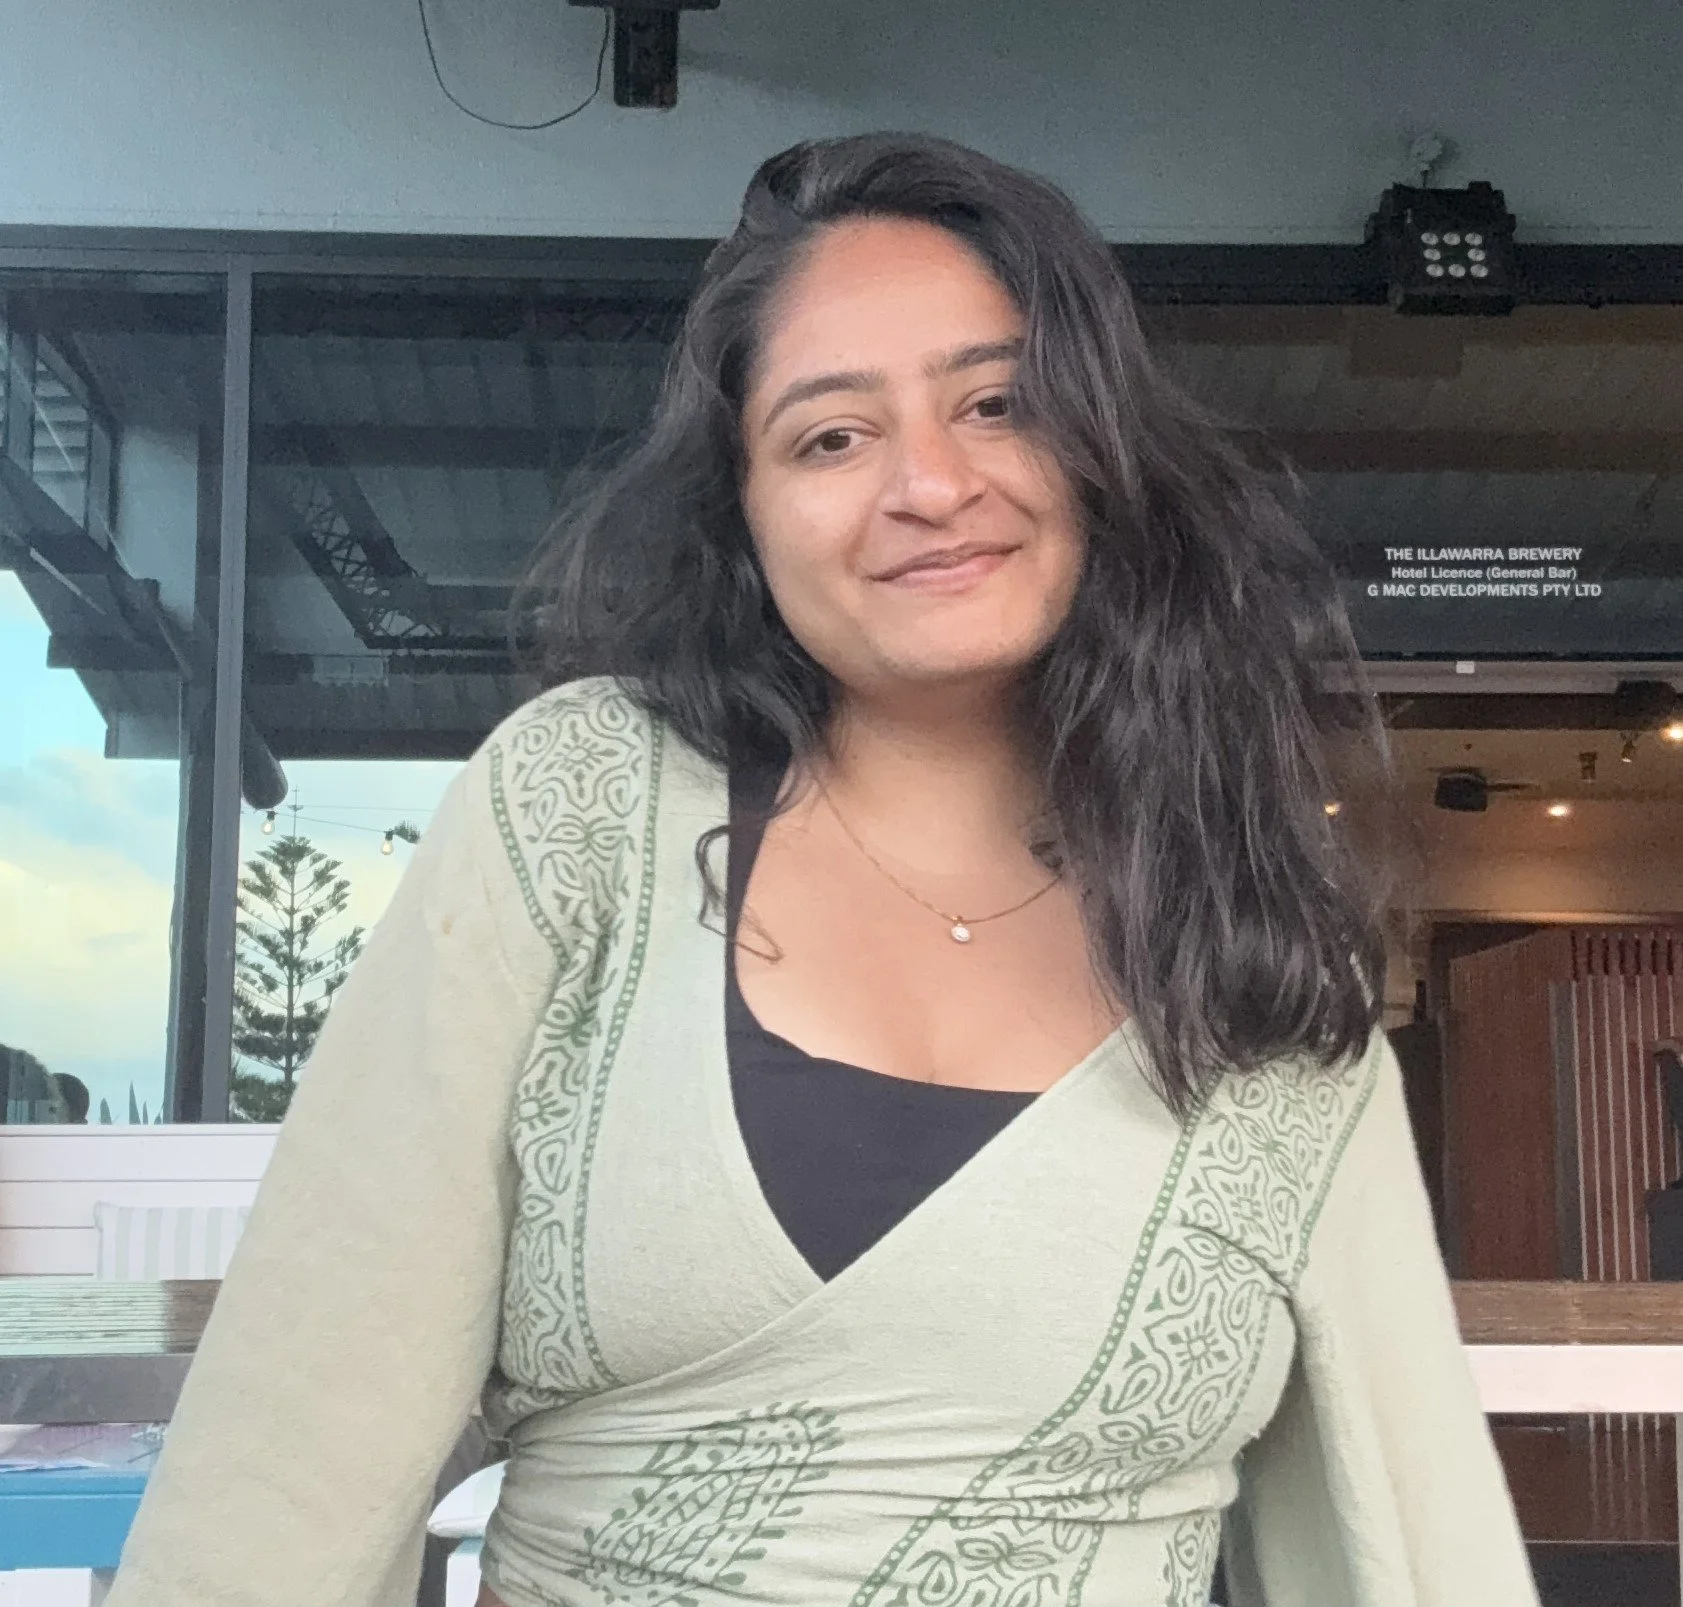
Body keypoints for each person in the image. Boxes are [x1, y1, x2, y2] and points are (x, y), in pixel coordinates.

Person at [106, 133, 1539, 1607]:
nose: (928, 483)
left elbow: (1409, 1510)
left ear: (1100, 453)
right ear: (744, 511)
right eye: (830, 436)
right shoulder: (579, 807)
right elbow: (296, 1444)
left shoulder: (1241, 909)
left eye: (995, 403)